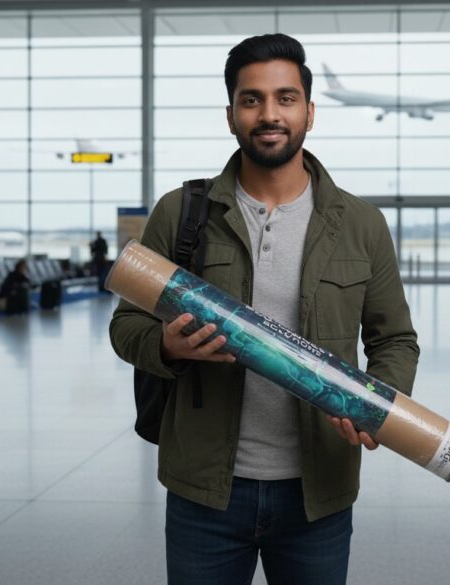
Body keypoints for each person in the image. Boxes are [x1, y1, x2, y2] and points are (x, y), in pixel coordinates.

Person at [109, 34, 419, 585]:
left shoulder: (360, 223)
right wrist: (165, 346)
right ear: (230, 114)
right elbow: (126, 325)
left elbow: (394, 338)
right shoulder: (182, 213)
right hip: (204, 490)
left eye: (285, 98)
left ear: (309, 112)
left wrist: (378, 407)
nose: (269, 114)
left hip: (316, 494)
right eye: (251, 100)